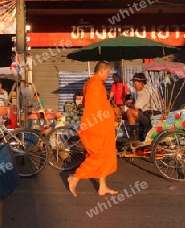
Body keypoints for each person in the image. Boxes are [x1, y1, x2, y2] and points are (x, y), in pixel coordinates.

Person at [67, 61, 118, 197]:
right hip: (98, 127)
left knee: (105, 155)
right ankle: (75, 177)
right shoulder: (95, 85)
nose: (108, 75)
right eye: (107, 72)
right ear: (101, 71)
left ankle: (102, 186)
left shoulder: (91, 83)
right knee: (98, 155)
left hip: (102, 125)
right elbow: (94, 109)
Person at [125, 73, 161, 142]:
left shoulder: (143, 91)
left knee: (129, 112)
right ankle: (140, 135)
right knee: (140, 113)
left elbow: (136, 108)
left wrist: (129, 105)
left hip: (152, 117)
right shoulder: (150, 89)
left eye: (135, 84)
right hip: (156, 115)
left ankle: (134, 137)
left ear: (141, 83)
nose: (134, 86)